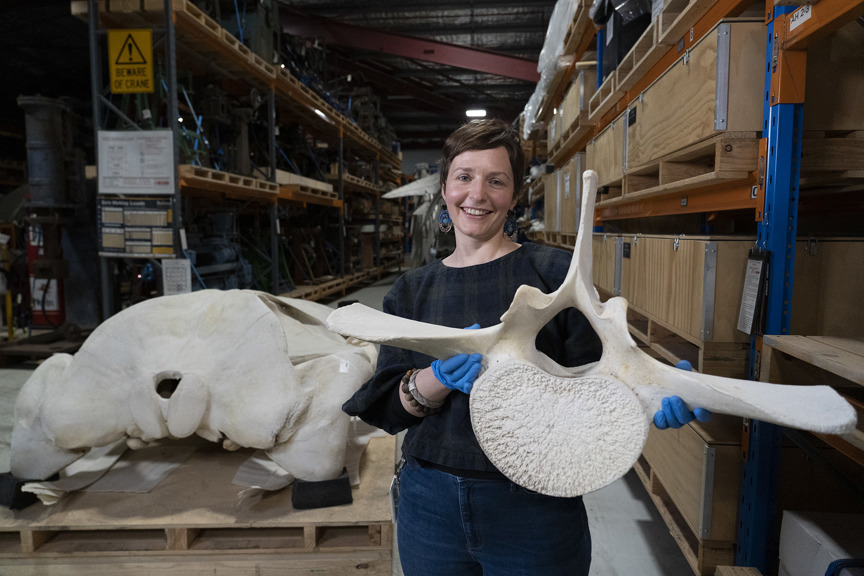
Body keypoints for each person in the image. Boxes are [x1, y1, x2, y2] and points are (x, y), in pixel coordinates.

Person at [342, 118, 709, 576]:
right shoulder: (412, 290)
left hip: (535, 508)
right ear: (445, 188)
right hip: (429, 505)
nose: (477, 194)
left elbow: (598, 379)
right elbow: (386, 408)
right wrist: (432, 380)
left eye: (496, 181)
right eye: (464, 177)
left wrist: (651, 396)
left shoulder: (554, 275)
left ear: (514, 196)